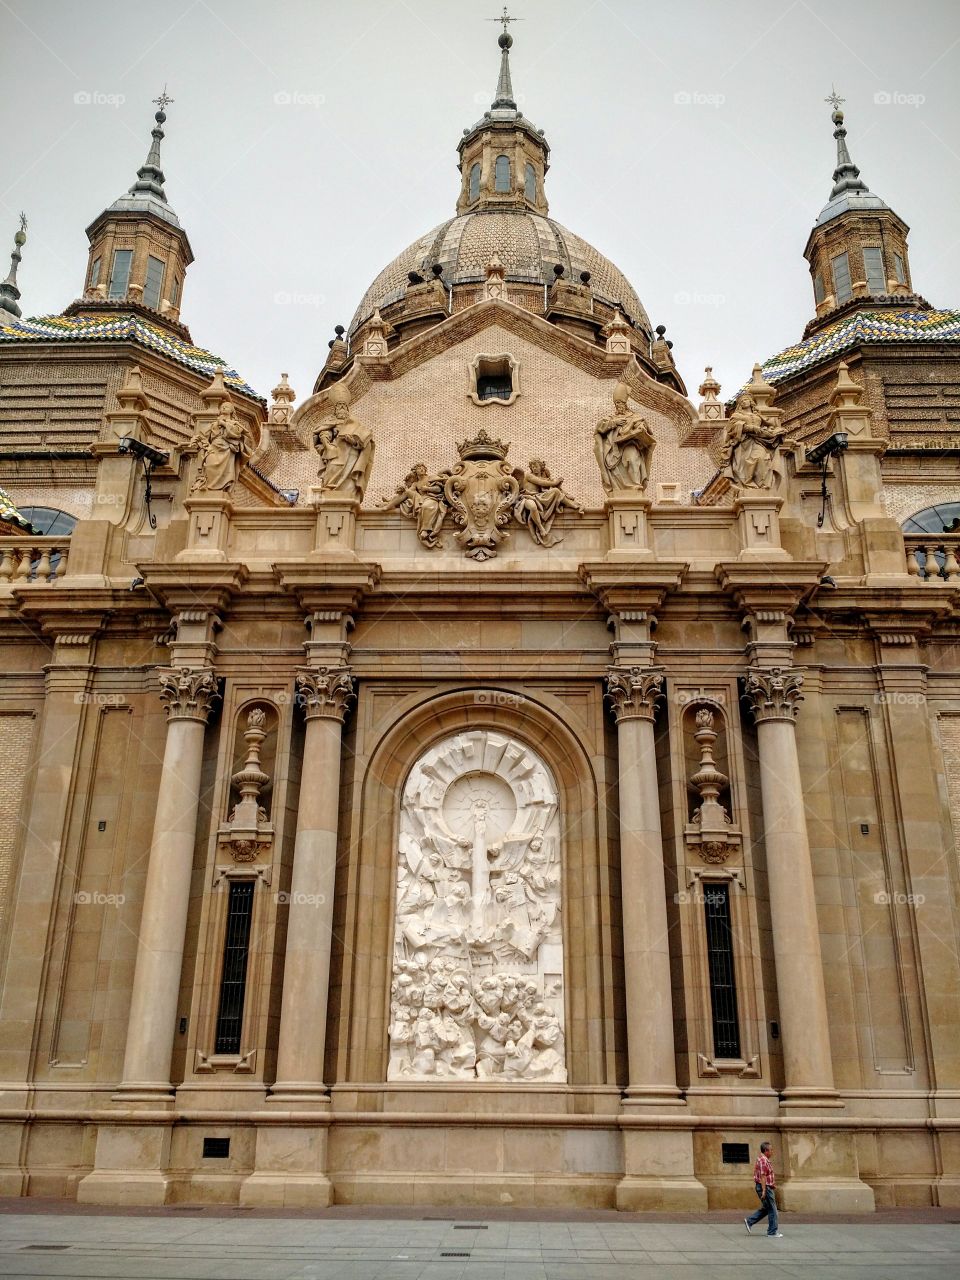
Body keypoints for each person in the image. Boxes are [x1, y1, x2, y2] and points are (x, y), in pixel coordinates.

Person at [744, 1140, 783, 1237]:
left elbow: (757, 1172)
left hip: (766, 1187)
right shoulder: (763, 1160)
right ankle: (772, 1232)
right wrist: (764, 1190)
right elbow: (763, 1176)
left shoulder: (761, 1159)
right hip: (766, 1188)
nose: (772, 1152)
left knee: (767, 1208)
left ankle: (749, 1221)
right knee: (773, 1210)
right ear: (766, 1150)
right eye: (771, 1150)